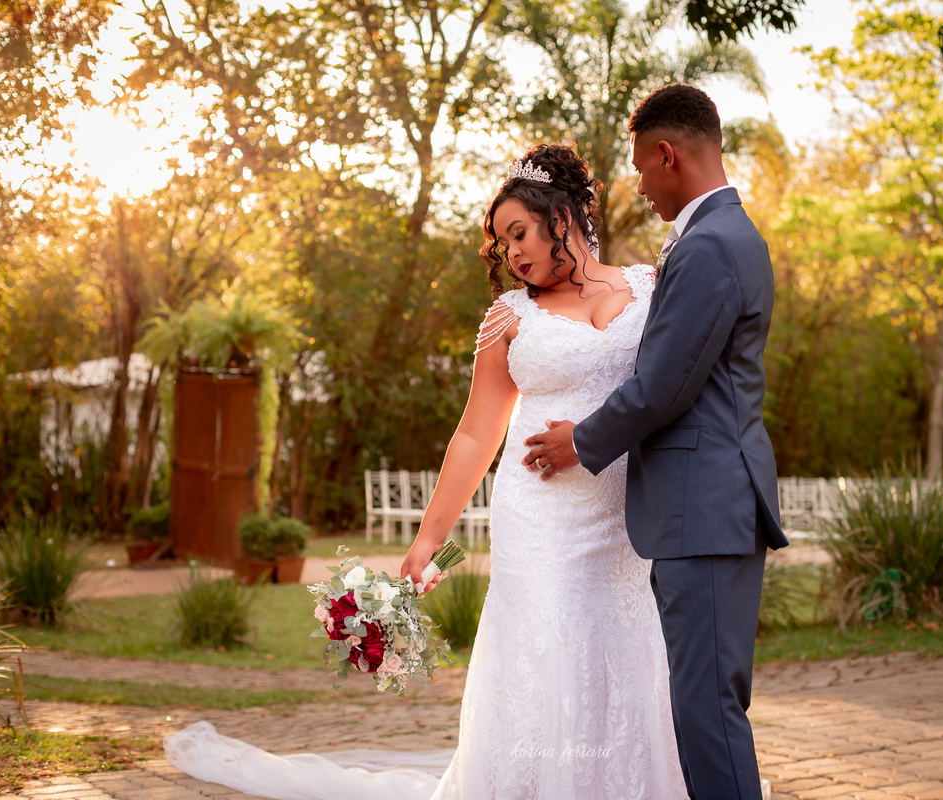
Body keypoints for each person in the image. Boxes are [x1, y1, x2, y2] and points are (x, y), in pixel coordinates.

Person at [163, 142, 688, 799]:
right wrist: (427, 539)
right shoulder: (509, 319)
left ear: (564, 217)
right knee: (550, 656)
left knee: (626, 651)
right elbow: (475, 433)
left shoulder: (651, 287)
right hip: (542, 518)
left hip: (624, 519)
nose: (512, 253)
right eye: (501, 245)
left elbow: (678, 388)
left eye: (518, 232)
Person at [522, 84, 788, 800]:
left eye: (641, 167)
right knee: (707, 704)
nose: (638, 185)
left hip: (701, 507)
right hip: (710, 501)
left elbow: (666, 384)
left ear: (667, 154)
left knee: (705, 710)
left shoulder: (710, 247)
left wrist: (582, 439)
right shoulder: (725, 237)